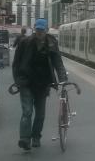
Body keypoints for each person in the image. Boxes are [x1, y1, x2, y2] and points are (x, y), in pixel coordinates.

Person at [12, 19, 68, 151]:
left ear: (46, 30)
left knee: (40, 114)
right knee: (27, 111)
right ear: (34, 29)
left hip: (43, 83)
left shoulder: (52, 43)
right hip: (26, 81)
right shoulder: (24, 42)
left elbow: (57, 62)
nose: (39, 32)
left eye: (42, 30)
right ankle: (25, 139)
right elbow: (16, 63)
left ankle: (36, 137)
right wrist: (17, 80)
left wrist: (62, 78)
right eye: (37, 30)